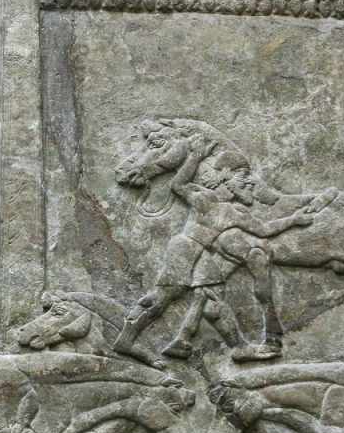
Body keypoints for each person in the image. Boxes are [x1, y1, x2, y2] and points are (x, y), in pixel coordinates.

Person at [113, 134, 322, 365]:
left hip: (203, 254)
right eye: (243, 175)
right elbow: (177, 185)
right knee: (162, 298)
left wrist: (294, 220)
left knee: (213, 302)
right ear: (225, 174)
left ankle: (240, 348)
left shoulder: (234, 212)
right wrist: (194, 157)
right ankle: (126, 341)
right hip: (185, 249)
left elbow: (264, 230)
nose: (249, 182)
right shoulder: (205, 198)